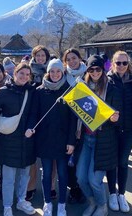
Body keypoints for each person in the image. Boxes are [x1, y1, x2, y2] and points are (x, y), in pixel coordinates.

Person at [0, 63, 36, 216]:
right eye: (21, 73)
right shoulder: (3, 91)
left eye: (27, 74)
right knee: (8, 177)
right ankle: (7, 206)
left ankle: (21, 200)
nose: (24, 77)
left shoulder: (31, 91)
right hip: (8, 140)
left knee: (25, 174)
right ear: (14, 73)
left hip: (27, 139)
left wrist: (31, 128)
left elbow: (34, 113)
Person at [26, 59, 77, 216]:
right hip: (44, 139)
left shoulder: (69, 90)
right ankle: (47, 201)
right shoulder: (40, 91)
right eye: (52, 71)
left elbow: (73, 120)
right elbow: (34, 114)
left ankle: (62, 203)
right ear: (48, 72)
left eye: (58, 71)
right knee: (46, 172)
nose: (55, 74)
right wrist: (30, 127)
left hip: (63, 141)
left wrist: (71, 141)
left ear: (63, 72)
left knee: (62, 173)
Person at [76, 55, 122, 216]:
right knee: (81, 178)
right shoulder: (82, 89)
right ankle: (92, 202)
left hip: (103, 140)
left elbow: (117, 117)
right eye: (91, 69)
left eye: (98, 69)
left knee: (94, 180)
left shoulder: (112, 89)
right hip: (85, 138)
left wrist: (115, 119)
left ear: (103, 70)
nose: (95, 72)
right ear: (87, 70)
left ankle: (102, 206)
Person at [106, 51, 132, 213]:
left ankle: (121, 194)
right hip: (111, 129)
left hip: (129, 128)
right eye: (118, 63)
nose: (122, 66)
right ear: (113, 63)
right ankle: (112, 193)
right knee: (112, 162)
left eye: (125, 63)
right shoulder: (107, 80)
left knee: (123, 162)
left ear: (129, 63)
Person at [62, 48, 87, 204]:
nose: (72, 61)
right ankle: (73, 189)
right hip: (68, 125)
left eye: (74, 58)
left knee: (83, 161)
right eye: (68, 59)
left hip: (86, 125)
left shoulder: (88, 74)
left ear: (80, 58)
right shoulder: (63, 77)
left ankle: (82, 187)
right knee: (69, 160)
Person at [27, 45, 51, 200]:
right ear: (34, 57)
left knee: (50, 157)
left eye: (43, 55)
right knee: (33, 157)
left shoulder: (53, 72)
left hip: (48, 117)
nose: (41, 58)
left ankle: (52, 187)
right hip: (32, 116)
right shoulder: (28, 73)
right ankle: (31, 186)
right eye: (38, 56)